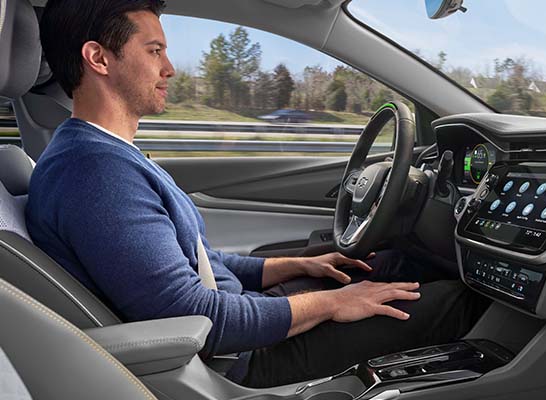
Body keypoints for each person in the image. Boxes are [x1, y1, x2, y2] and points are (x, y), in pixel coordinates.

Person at [26, 0, 489, 388]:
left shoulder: (104, 154)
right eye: (154, 50)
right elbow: (201, 317)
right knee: (458, 301)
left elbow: (198, 261)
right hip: (241, 359)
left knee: (390, 265)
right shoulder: (94, 174)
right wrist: (330, 303)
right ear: (99, 58)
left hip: (243, 325)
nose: (169, 68)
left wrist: (299, 265)